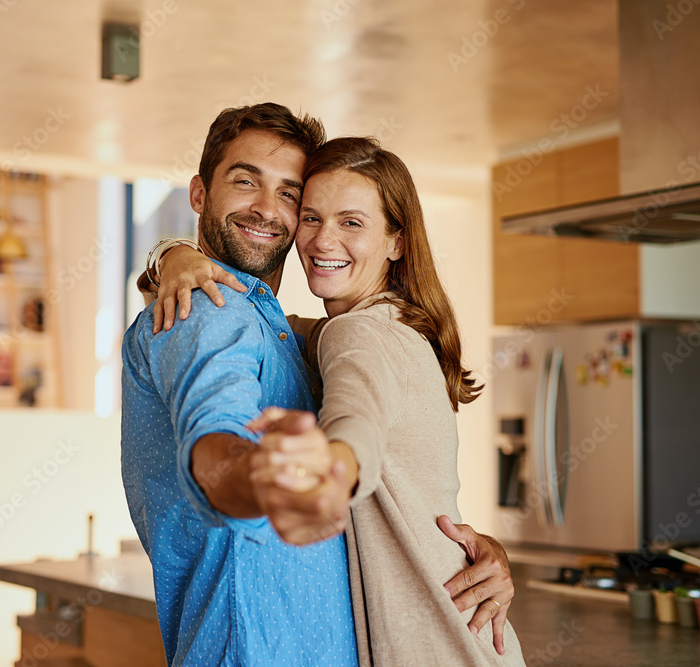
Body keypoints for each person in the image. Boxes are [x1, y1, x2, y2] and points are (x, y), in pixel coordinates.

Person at [122, 103, 515, 666]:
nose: (268, 208)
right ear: (198, 195)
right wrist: (272, 477)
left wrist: (170, 254)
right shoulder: (211, 312)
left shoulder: (328, 333)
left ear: (396, 241)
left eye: (289, 194)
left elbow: (362, 425)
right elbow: (214, 439)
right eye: (244, 181)